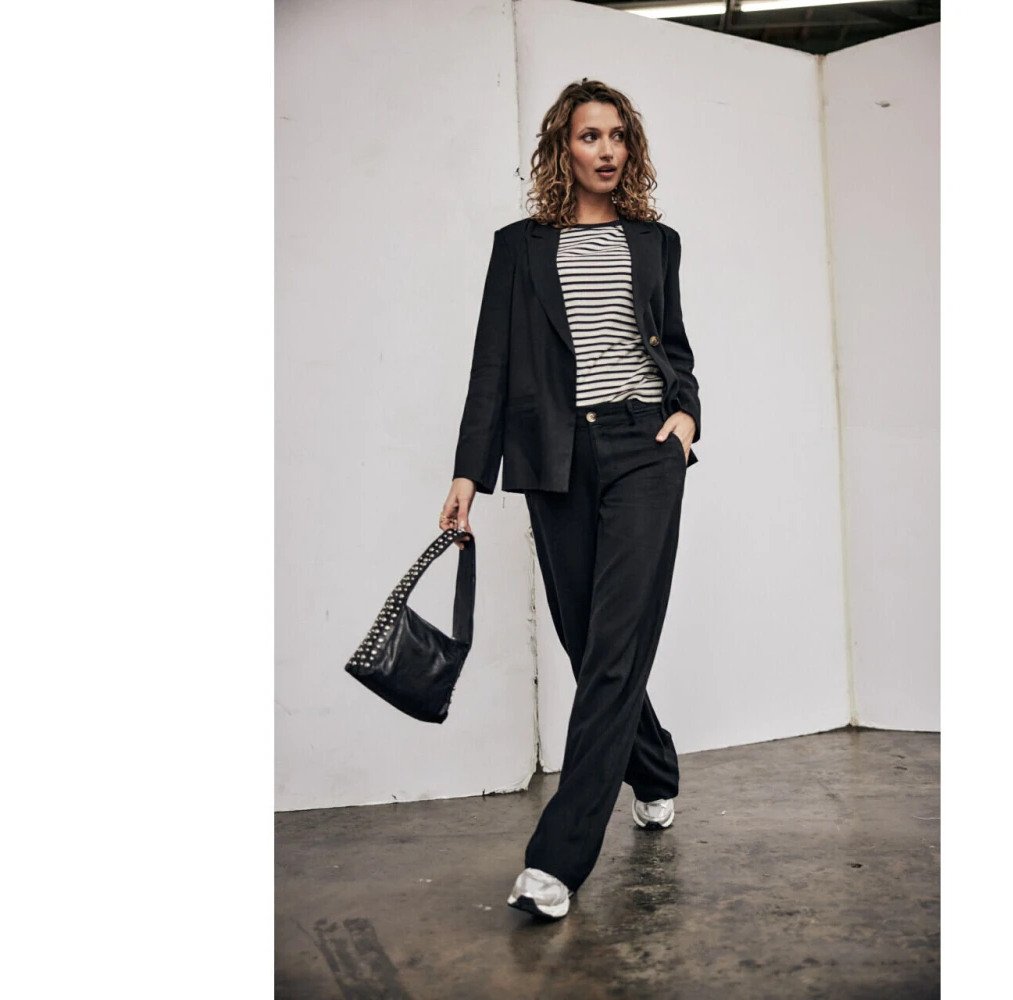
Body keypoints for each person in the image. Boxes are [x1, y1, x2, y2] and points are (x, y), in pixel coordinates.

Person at [438, 79, 701, 921]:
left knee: (617, 644)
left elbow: (674, 348)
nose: (607, 150)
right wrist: (468, 473)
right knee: (589, 640)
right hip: (555, 458)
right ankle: (653, 766)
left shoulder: (656, 242)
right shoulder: (519, 248)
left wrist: (686, 416)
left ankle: (557, 860)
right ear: (563, 147)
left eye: (618, 136)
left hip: (645, 449)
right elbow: (491, 365)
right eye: (591, 136)